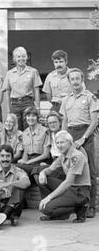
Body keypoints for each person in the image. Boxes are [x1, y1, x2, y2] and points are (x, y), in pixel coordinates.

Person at [60, 68, 98, 218]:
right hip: (70, 134)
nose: (75, 82)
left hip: (86, 134)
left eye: (77, 79)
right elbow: (64, 121)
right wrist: (63, 138)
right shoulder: (66, 99)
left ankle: (91, 206)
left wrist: (83, 138)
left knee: (91, 171)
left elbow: (94, 121)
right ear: (69, 82)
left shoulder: (90, 97)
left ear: (82, 80)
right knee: (69, 169)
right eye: (72, 79)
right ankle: (72, 206)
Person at [38, 131, 91, 223]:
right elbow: (50, 169)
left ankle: (80, 206)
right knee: (41, 178)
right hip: (71, 188)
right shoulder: (63, 155)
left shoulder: (76, 156)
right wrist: (43, 173)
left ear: (70, 143)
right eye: (57, 143)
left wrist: (49, 197)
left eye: (62, 142)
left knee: (45, 209)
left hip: (80, 191)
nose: (59, 145)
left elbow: (68, 182)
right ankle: (63, 213)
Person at [0, 144, 31, 226]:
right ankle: (7, 213)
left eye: (8, 156)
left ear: (12, 157)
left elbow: (26, 182)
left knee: (20, 187)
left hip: (13, 205)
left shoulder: (18, 170)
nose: (5, 159)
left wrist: (9, 184)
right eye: (2, 156)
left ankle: (6, 213)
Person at [2, 46, 42, 130]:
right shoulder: (9, 73)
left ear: (27, 57)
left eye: (23, 56)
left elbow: (36, 90)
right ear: (14, 59)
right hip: (15, 105)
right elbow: (7, 92)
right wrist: (9, 109)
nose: (21, 59)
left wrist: (38, 107)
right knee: (15, 129)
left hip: (28, 103)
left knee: (29, 128)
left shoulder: (33, 71)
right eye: (18, 56)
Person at [17, 106, 51, 186]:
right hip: (29, 162)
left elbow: (46, 155)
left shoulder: (44, 131)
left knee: (36, 174)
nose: (30, 118)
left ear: (37, 118)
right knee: (15, 170)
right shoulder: (24, 133)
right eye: (28, 116)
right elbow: (25, 152)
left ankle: (45, 197)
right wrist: (23, 161)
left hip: (41, 162)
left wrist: (28, 162)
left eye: (33, 116)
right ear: (25, 118)